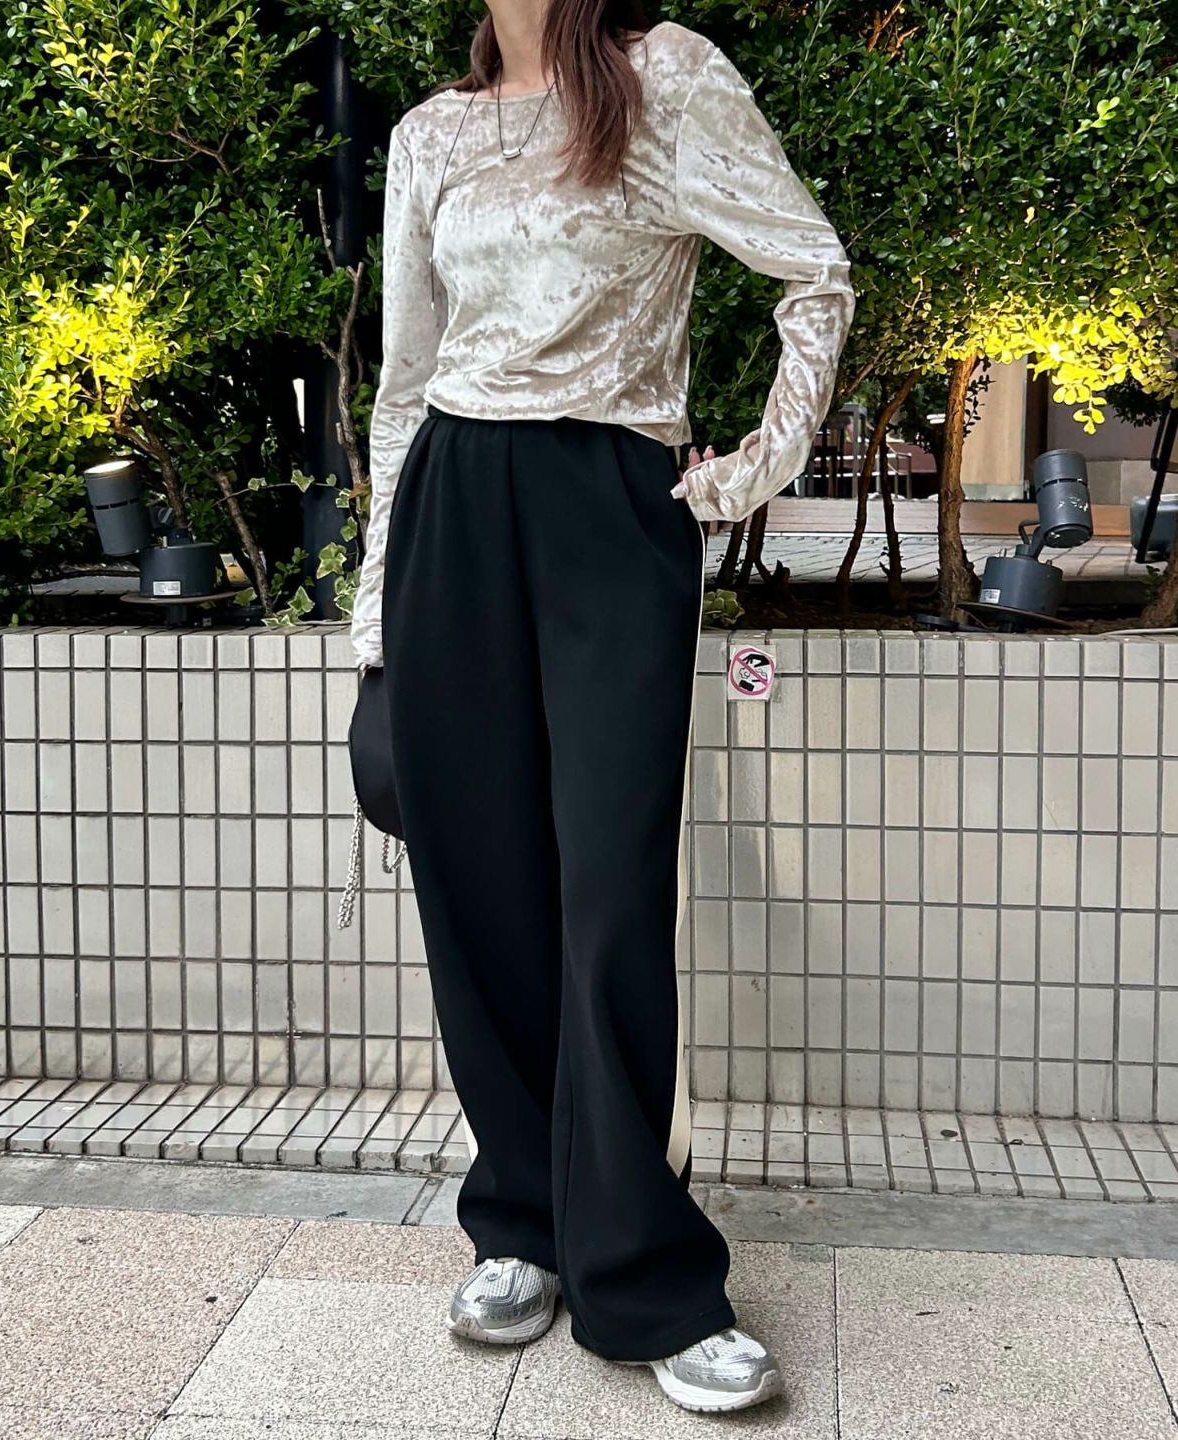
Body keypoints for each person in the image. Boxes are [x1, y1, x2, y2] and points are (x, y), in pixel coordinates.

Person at [349, 0, 854, 1415]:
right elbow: (402, 388)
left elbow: (813, 269)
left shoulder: (663, 75)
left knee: (613, 890)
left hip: (609, 502)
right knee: (479, 886)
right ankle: (521, 1220)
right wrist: (374, 626)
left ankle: (646, 1275)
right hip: (453, 502)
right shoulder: (430, 134)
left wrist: (755, 469)